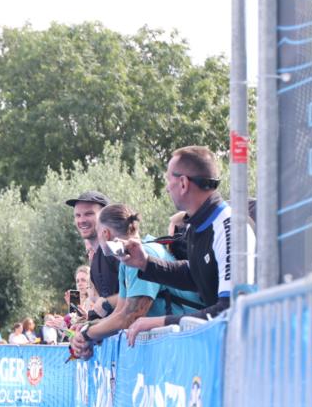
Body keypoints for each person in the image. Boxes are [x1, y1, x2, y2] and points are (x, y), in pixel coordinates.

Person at [119, 146, 257, 344]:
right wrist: (145, 263)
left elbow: (229, 309)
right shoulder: (197, 224)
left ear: (183, 183)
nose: (167, 188)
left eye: (169, 180)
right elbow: (195, 274)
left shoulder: (230, 228)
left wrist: (162, 322)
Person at [70, 203, 204, 359]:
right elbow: (119, 312)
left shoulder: (143, 254)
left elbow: (128, 318)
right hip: (181, 340)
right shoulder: (127, 261)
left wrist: (87, 334)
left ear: (105, 233)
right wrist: (88, 328)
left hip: (191, 341)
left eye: (98, 232)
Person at [65, 191, 118, 319]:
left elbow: (132, 299)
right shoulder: (95, 261)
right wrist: (87, 321)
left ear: (105, 216)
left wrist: (89, 331)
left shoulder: (117, 249)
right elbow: (106, 312)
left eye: (89, 214)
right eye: (77, 215)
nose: (81, 220)